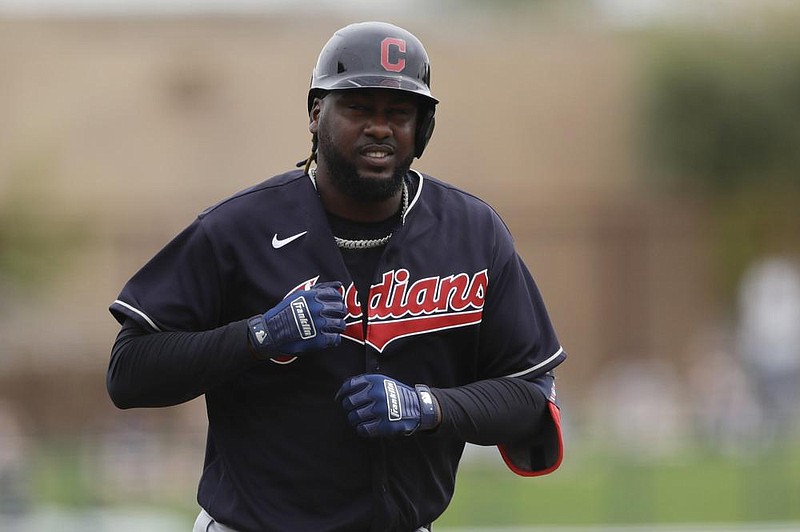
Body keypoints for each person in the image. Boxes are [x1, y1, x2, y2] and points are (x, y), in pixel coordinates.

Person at [107, 21, 566, 532]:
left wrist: (428, 405)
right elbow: (129, 371)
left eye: (399, 112)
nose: (379, 127)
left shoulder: (473, 233)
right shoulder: (238, 228)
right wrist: (258, 336)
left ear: (423, 128)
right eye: (358, 108)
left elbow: (530, 398)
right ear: (315, 114)